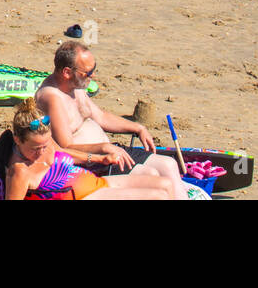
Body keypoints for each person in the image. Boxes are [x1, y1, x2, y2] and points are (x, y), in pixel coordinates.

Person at [35, 41, 186, 190]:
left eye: (93, 68)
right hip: (90, 164)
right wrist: (104, 148)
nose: (93, 75)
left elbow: (100, 116)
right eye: (88, 72)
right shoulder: (52, 98)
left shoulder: (76, 85)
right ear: (67, 72)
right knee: (151, 175)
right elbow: (65, 147)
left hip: (110, 151)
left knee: (169, 165)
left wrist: (138, 127)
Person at [0, 99, 184, 200]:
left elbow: (66, 153)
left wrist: (99, 159)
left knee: (165, 184)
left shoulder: (47, 144)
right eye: (35, 148)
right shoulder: (19, 171)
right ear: (17, 140)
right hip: (83, 196)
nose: (42, 151)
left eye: (45, 144)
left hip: (94, 183)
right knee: (158, 197)